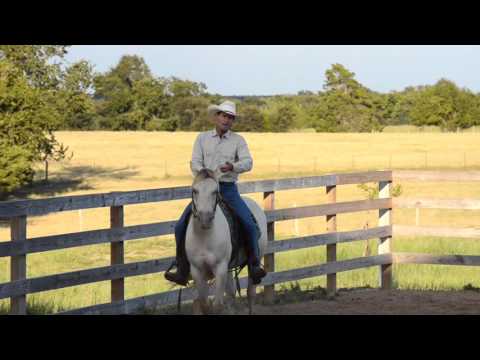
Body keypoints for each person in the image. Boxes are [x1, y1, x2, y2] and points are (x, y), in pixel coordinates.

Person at [164, 100, 266, 286]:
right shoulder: (202, 138)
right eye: (224, 116)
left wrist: (233, 166)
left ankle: (254, 265)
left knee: (250, 224)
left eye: (230, 118)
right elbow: (194, 162)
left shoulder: (238, 140)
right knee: (180, 226)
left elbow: (248, 162)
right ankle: (181, 268)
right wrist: (205, 174)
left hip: (227, 188)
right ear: (216, 117)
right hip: (204, 188)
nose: (226, 120)